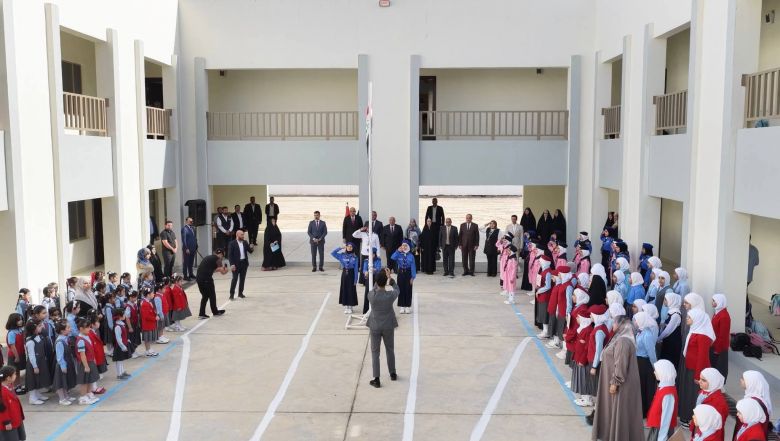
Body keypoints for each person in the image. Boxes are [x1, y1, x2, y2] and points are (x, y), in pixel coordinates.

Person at [590, 316, 644, 440]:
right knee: (613, 411)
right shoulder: (620, 338)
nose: (612, 325)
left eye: (614, 323)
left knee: (617, 410)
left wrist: (615, 382)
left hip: (619, 384)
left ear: (621, 325)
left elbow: (620, 364)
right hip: (614, 381)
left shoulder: (623, 342)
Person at [679, 309, 715, 426]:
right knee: (688, 392)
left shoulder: (703, 336)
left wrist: (698, 376)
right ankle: (685, 415)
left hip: (696, 370)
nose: (687, 319)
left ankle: (690, 418)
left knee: (692, 394)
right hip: (690, 367)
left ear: (697, 319)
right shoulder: (695, 330)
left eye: (689, 317)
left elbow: (702, 357)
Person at [366, 268, 399, 388]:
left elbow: (374, 288)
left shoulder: (372, 296)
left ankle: (376, 378)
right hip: (388, 325)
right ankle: (392, 373)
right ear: (385, 282)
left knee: (375, 352)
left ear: (376, 281)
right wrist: (390, 279)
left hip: (375, 326)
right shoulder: (390, 296)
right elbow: (397, 290)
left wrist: (380, 278)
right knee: (390, 349)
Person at [645, 359, 678, 441]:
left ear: (663, 372)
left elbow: (666, 418)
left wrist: (662, 438)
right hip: (657, 426)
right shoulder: (663, 387)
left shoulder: (668, 393)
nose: (654, 372)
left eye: (656, 371)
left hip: (661, 430)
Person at [690, 368, 728, 440]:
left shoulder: (719, 402)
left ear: (713, 382)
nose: (699, 381)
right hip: (700, 426)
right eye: (700, 379)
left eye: (703, 380)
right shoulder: (703, 391)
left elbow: (717, 425)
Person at [633, 311, 659, 416]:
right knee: (639, 386)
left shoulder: (647, 334)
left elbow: (651, 353)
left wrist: (655, 367)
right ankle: (640, 409)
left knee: (645, 387)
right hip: (639, 361)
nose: (634, 322)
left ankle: (645, 411)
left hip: (644, 363)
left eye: (636, 320)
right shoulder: (640, 332)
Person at [24, 320, 51, 405]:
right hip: (33, 364)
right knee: (33, 380)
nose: (42, 327)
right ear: (33, 329)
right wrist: (35, 366)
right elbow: (31, 355)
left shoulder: (38, 336)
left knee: (38, 379)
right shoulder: (30, 341)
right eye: (39, 326)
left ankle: (37, 394)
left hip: (40, 361)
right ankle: (32, 398)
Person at [195, 249, 228, 319]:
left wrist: (221, 269)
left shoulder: (209, 257)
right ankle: (215, 312)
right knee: (212, 295)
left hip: (199, 279)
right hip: (206, 279)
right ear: (221, 254)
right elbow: (223, 272)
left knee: (205, 296)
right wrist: (228, 269)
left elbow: (212, 270)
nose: (222, 258)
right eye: (223, 256)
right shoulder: (218, 260)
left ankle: (201, 314)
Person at [75, 318, 100, 405]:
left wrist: (93, 360)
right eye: (87, 327)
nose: (89, 329)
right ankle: (83, 397)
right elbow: (82, 355)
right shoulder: (81, 340)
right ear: (81, 329)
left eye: (89, 327)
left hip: (90, 361)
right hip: (85, 363)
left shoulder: (86, 336)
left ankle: (88, 393)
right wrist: (86, 366)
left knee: (90, 379)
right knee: (84, 381)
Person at [53, 321, 77, 406]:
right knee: (61, 382)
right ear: (62, 331)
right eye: (68, 328)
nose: (70, 329)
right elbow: (59, 357)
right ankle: (62, 399)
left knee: (65, 381)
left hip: (68, 362)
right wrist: (63, 366)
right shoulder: (60, 341)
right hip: (62, 365)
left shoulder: (65, 338)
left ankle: (66, 396)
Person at [332, 243, 359, 314]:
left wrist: (356, 279)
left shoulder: (355, 257)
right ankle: (346, 306)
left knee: (351, 290)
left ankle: (351, 306)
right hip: (344, 274)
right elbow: (333, 253)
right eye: (348, 246)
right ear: (346, 247)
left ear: (353, 248)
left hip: (351, 274)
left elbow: (356, 269)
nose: (349, 248)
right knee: (345, 289)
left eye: (351, 247)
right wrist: (340, 247)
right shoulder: (342, 255)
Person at [0, 366, 26, 439]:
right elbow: (2, 409)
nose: (16, 376)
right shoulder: (2, 392)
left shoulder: (10, 386)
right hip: (9, 422)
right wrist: (7, 422)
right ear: (8, 378)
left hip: (16, 418)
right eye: (14, 374)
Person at [392, 240, 417, 314]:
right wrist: (397, 251)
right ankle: (402, 306)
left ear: (408, 247)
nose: (404, 247)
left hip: (408, 273)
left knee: (408, 289)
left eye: (406, 246)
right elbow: (392, 257)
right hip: (401, 273)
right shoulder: (399, 254)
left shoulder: (411, 256)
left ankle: (407, 306)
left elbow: (413, 267)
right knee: (401, 289)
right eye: (403, 245)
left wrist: (413, 277)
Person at [657, 292, 683, 364]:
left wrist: (659, 338)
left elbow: (668, 330)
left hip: (672, 342)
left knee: (669, 361)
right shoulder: (671, 311)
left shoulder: (676, 315)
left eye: (665, 299)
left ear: (672, 301)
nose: (664, 301)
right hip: (669, 340)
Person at [710, 294, 730, 380]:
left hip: (719, 347)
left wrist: (717, 350)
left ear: (720, 302)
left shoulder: (724, 316)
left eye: (714, 301)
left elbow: (723, 335)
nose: (712, 302)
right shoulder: (717, 312)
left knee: (719, 368)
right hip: (714, 344)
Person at [228, 230, 254, 299]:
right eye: (242, 235)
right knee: (235, 279)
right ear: (237, 235)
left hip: (244, 263)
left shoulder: (245, 242)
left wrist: (252, 247)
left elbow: (250, 251)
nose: (243, 236)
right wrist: (232, 264)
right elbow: (230, 255)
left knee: (242, 279)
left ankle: (240, 293)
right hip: (236, 264)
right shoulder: (232, 243)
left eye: (243, 234)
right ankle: (231, 294)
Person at [112, 307, 131, 380]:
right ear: (119, 316)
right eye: (123, 314)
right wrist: (123, 346)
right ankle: (119, 374)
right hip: (119, 347)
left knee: (121, 360)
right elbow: (118, 338)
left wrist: (127, 340)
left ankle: (122, 372)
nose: (125, 316)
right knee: (119, 361)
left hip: (122, 345)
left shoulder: (121, 324)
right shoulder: (118, 326)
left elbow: (123, 335)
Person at [361, 248, 382, 314]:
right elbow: (364, 269)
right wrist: (365, 272)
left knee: (376, 293)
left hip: (376, 278)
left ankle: (377, 310)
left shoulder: (378, 260)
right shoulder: (366, 260)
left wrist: (374, 269)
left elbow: (379, 269)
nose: (370, 255)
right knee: (368, 293)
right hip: (369, 278)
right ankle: (366, 310)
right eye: (369, 254)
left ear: (374, 254)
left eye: (372, 254)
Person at [181, 217, 198, 281]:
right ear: (186, 221)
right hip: (187, 249)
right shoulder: (184, 229)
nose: (191, 222)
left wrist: (196, 245)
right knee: (186, 262)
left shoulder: (193, 228)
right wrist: (186, 248)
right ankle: (185, 276)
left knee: (191, 262)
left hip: (193, 248)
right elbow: (184, 239)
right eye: (190, 221)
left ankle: (191, 274)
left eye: (192, 221)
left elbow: (194, 238)